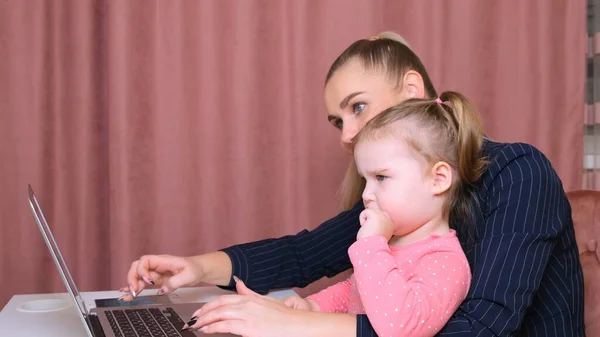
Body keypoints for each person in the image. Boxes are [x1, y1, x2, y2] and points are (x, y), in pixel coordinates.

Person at [121, 32, 585, 336]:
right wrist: (195, 269)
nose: (345, 135)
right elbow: (304, 254)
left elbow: (480, 328)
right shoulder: (395, 203)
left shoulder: (519, 172)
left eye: (357, 107)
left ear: (411, 89)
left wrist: (289, 324)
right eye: (337, 120)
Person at [281, 93, 484, 337]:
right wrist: (313, 306)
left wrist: (370, 245)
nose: (366, 194)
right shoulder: (389, 242)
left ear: (438, 179)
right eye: (365, 180)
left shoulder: (444, 260)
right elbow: (355, 291)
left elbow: (402, 327)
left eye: (381, 177)